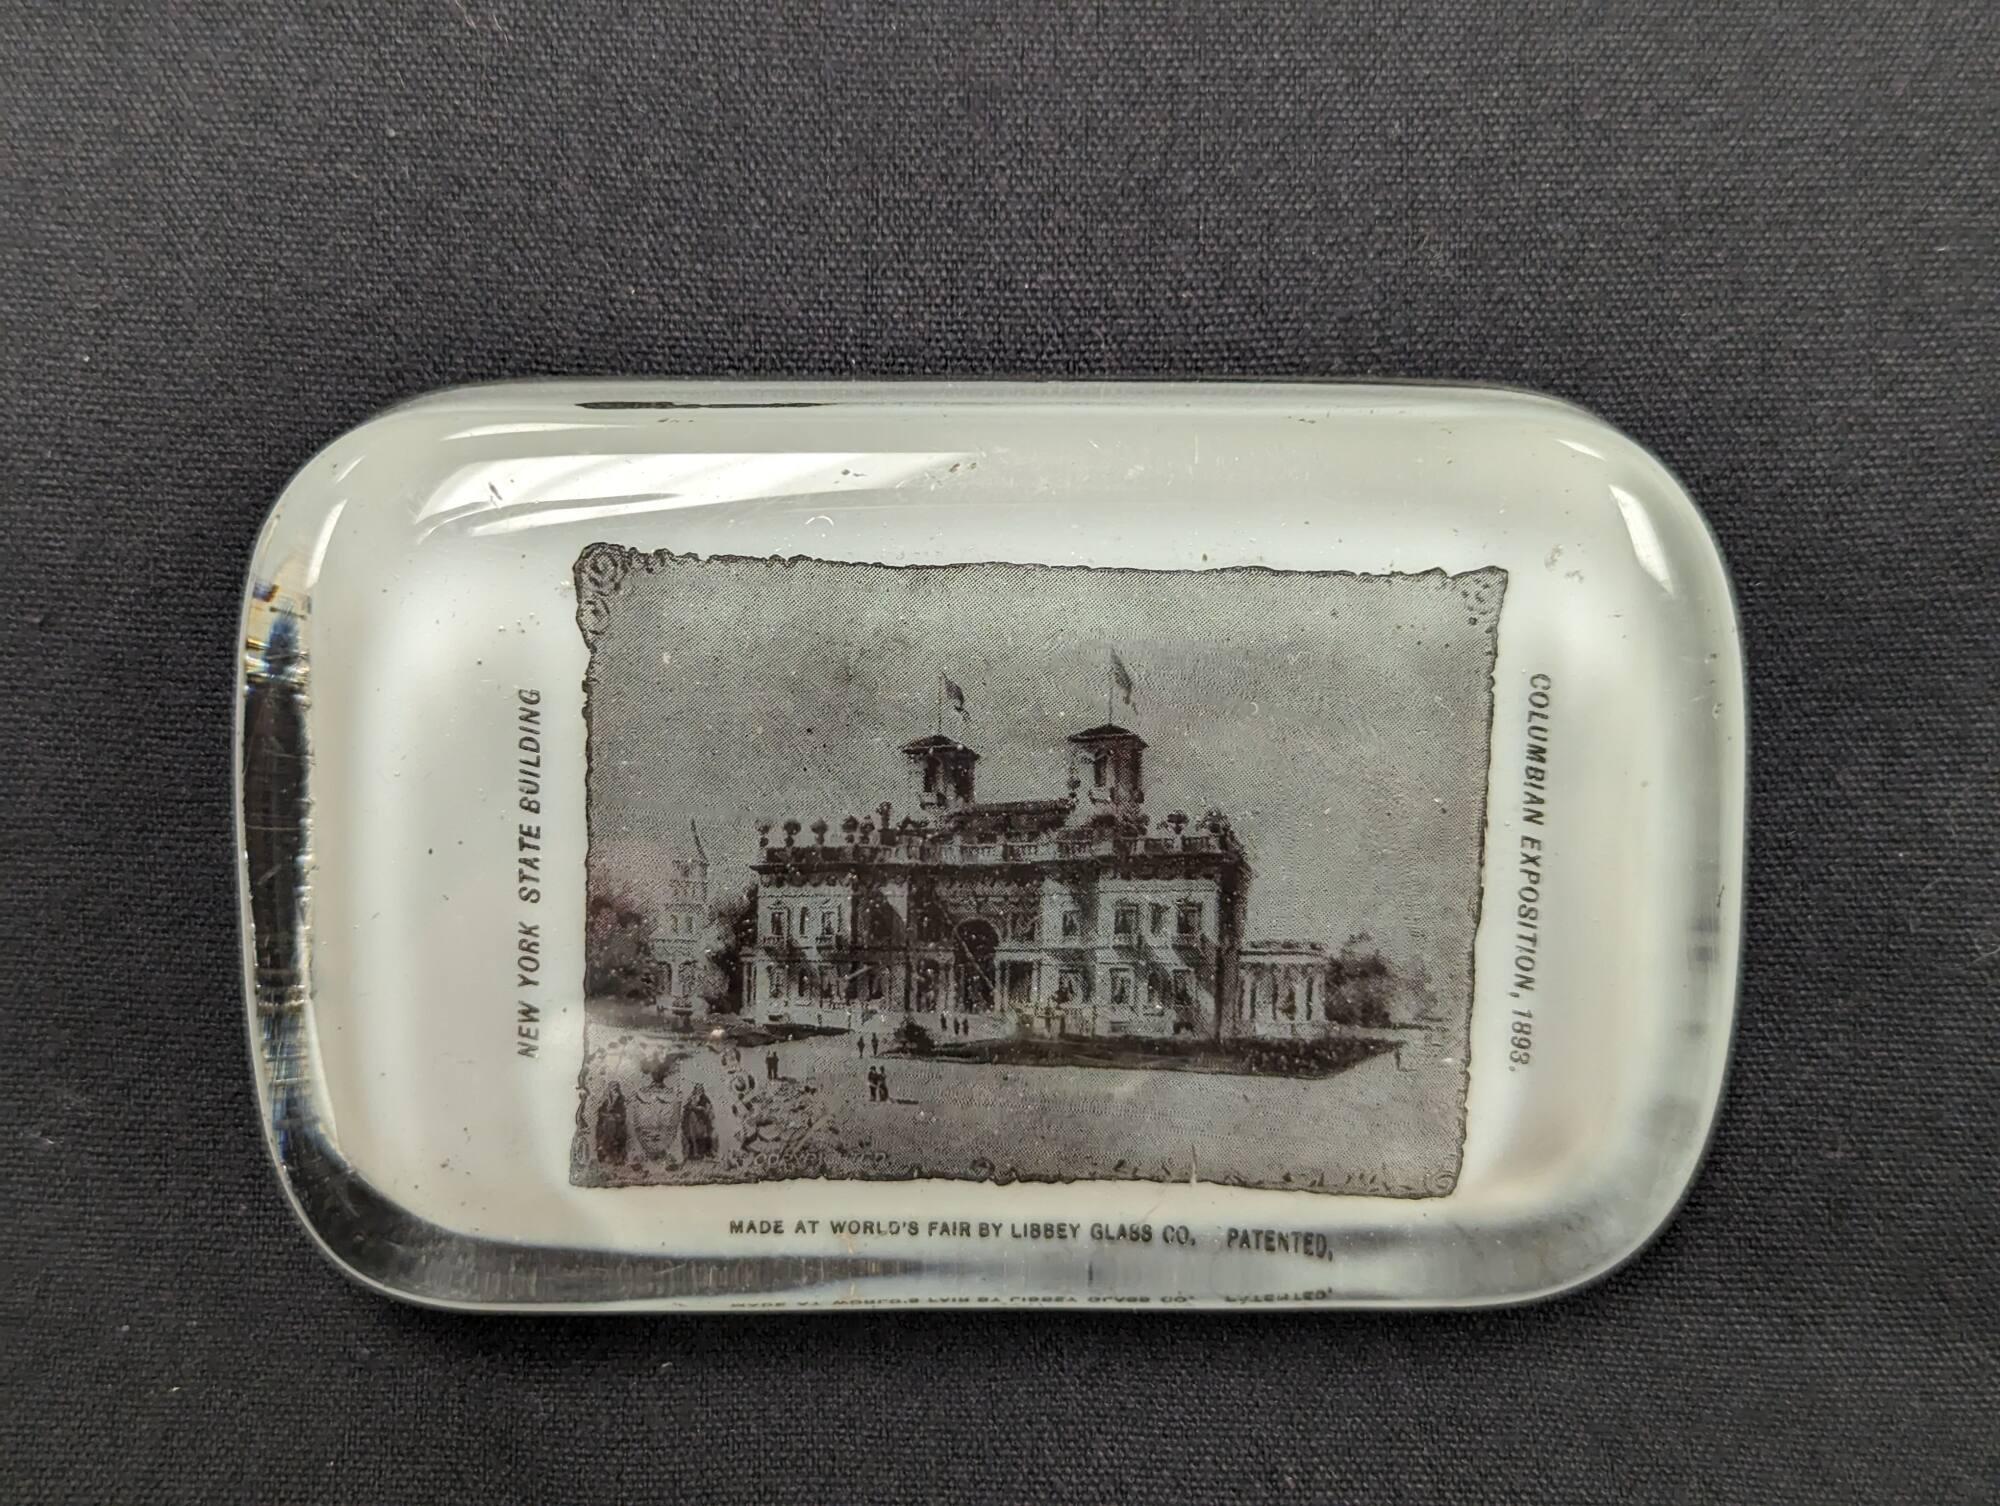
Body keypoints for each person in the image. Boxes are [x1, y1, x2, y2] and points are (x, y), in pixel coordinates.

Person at [593, 1081, 628, 1165]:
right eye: (613, 1089)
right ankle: (605, 1154)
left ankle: (618, 1157)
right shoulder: (605, 1101)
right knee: (609, 1123)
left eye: (616, 1089)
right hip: (606, 1126)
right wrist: (611, 1106)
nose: (615, 1092)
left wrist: (617, 1116)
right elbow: (601, 1113)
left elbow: (623, 1114)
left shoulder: (621, 1099)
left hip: (617, 1126)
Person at [679, 1084, 715, 1160]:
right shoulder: (692, 1097)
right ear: (695, 1090)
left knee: (704, 1135)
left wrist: (703, 1109)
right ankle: (694, 1153)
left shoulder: (705, 1098)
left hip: (702, 1119)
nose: (699, 1091)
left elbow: (708, 1107)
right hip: (693, 1119)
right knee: (693, 1136)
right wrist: (694, 1107)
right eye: (698, 1089)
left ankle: (705, 1153)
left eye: (701, 1089)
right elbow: (686, 1106)